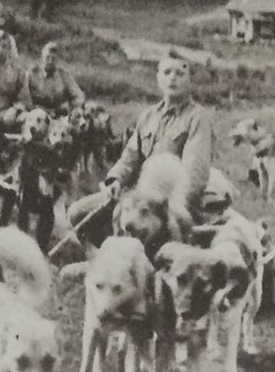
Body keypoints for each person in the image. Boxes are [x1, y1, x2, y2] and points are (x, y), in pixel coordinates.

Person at [67, 49, 212, 247]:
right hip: (136, 199)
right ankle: (108, 257)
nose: (173, 79)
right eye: (167, 72)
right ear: (158, 78)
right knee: (77, 213)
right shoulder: (148, 116)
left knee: (159, 231)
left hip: (170, 202)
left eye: (180, 73)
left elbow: (194, 173)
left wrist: (164, 203)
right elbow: (130, 157)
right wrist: (116, 181)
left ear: (190, 80)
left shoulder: (197, 118)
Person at [25, 41, 85, 114]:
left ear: (58, 60)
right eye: (47, 58)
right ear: (42, 57)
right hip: (37, 114)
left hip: (59, 114)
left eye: (53, 59)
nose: (50, 61)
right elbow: (25, 97)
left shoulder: (64, 75)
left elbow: (79, 95)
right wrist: (37, 109)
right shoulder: (32, 74)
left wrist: (70, 107)